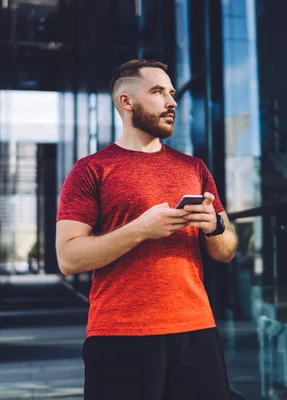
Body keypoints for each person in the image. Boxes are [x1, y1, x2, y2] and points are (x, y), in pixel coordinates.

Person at [55, 59, 238, 400]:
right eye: (158, 92)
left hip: (196, 330)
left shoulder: (194, 168)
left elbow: (226, 251)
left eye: (171, 93)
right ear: (127, 102)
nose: (172, 102)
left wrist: (215, 226)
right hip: (120, 336)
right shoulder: (91, 170)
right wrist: (139, 230)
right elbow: (68, 257)